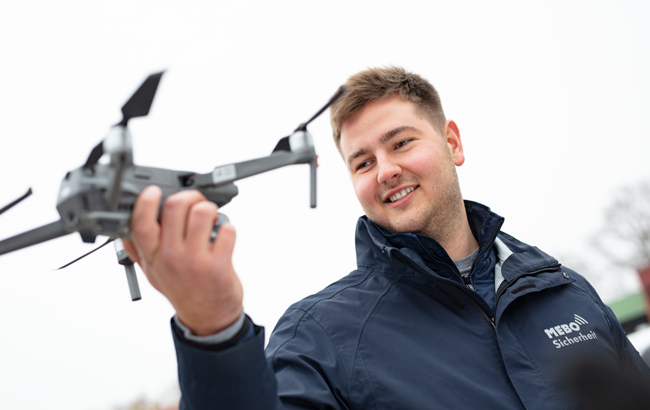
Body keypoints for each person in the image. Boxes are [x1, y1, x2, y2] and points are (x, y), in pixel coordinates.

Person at [122, 66, 650, 409]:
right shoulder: (321, 334)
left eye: (401, 143)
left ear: (452, 143)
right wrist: (213, 333)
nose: (386, 170)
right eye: (363, 162)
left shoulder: (564, 291)